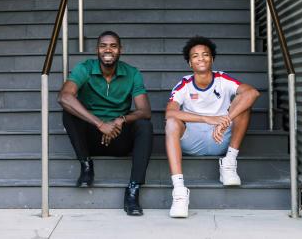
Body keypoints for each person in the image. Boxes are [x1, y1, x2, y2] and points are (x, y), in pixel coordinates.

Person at [58, 31, 153, 216]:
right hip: (90, 138)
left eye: (113, 46)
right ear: (97, 50)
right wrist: (100, 124)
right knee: (69, 112)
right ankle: (86, 164)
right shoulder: (85, 68)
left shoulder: (132, 73)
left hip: (119, 138)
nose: (108, 49)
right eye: (103, 45)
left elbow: (145, 111)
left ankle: (133, 190)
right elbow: (64, 96)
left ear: (120, 50)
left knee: (145, 126)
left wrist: (121, 120)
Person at [165, 36, 260, 218]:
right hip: (193, 140)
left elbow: (252, 92)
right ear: (190, 63)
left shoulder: (222, 78)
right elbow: (170, 113)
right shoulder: (184, 84)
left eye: (205, 54)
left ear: (212, 59)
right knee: (171, 123)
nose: (201, 58)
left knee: (244, 103)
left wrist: (226, 119)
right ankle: (179, 192)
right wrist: (207, 119)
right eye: (195, 56)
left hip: (221, 137)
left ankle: (229, 162)